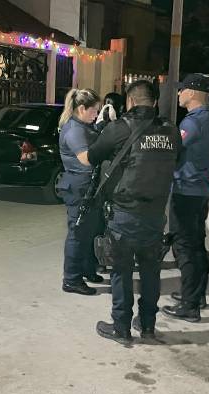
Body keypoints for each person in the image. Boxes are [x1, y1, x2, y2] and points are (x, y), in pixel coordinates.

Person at [79, 80, 181, 344]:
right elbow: (178, 161)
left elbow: (92, 157)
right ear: (155, 102)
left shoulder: (119, 128)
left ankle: (121, 328)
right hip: (155, 215)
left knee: (121, 271)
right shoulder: (171, 131)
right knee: (150, 272)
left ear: (131, 101)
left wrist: (102, 128)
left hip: (124, 213)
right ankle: (147, 327)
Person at [162, 74, 209, 323]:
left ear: (193, 93)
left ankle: (189, 305)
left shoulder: (193, 122)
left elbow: (173, 150)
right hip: (200, 190)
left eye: (182, 89)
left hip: (186, 190)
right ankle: (196, 295)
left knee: (184, 246)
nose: (179, 94)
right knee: (196, 244)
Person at [56, 88, 104, 296]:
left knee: (89, 231)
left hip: (88, 186)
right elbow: (85, 159)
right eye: (94, 110)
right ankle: (71, 279)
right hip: (79, 186)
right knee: (77, 234)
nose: (96, 114)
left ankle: (87, 269)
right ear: (82, 108)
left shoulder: (84, 126)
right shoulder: (74, 130)